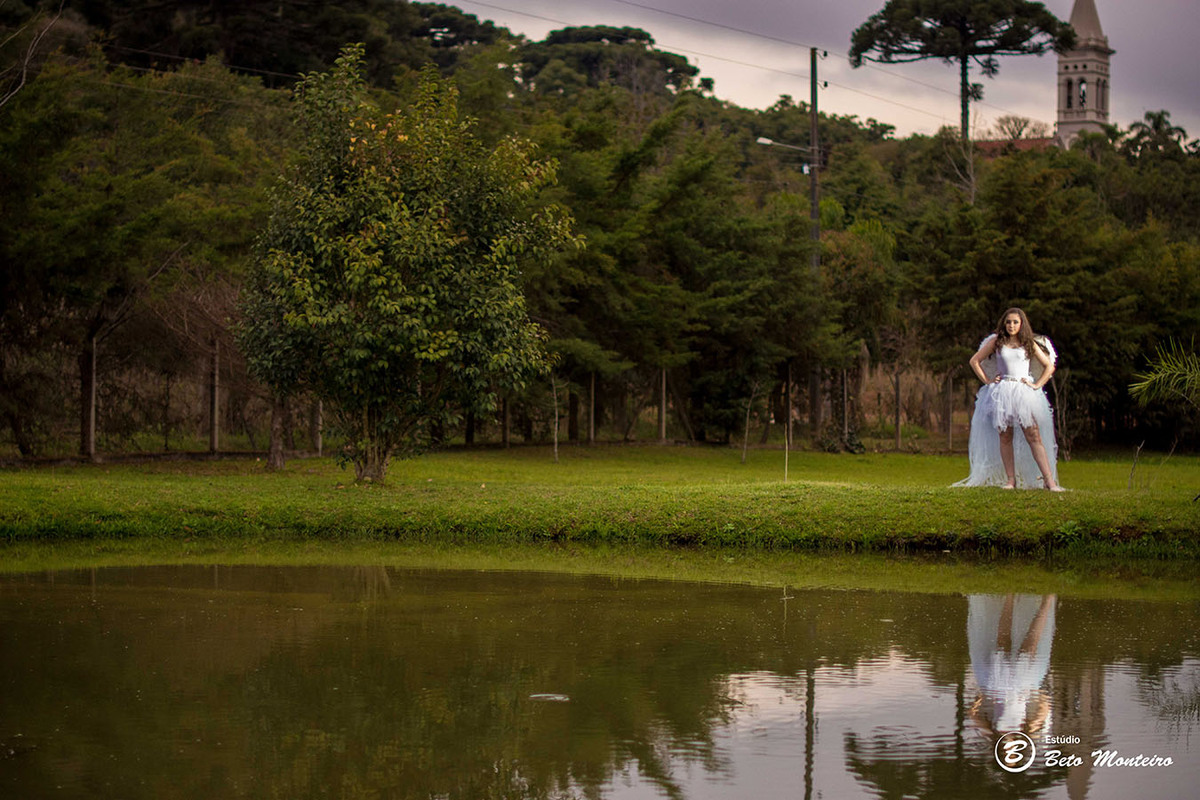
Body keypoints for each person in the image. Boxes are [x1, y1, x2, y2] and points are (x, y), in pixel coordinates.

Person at [954, 308, 1063, 490]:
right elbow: (975, 361)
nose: (1011, 325)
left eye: (1015, 322)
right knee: (1005, 436)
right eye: (1008, 322)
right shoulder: (997, 342)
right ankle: (1010, 480)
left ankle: (1049, 481)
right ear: (1004, 324)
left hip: (1023, 392)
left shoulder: (1028, 343)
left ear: (1022, 324)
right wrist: (987, 381)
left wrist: (1037, 385)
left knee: (1033, 435)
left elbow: (1049, 366)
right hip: (1002, 392)